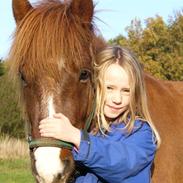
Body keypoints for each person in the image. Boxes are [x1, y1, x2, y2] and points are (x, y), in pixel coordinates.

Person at [39, 46, 161, 183]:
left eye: (126, 91)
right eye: (110, 88)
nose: (117, 99)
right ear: (95, 86)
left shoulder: (142, 133)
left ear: (135, 93)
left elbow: (120, 163)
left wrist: (77, 138)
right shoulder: (91, 131)